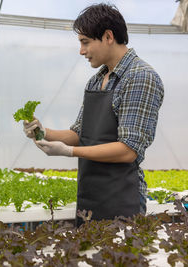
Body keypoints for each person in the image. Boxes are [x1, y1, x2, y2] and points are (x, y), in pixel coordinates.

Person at [23, 4, 164, 226]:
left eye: (85, 42)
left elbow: (129, 150)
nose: (81, 51)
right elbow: (80, 133)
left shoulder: (139, 77)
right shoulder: (97, 79)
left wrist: (69, 152)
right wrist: (42, 132)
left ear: (108, 36)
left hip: (121, 198)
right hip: (90, 194)